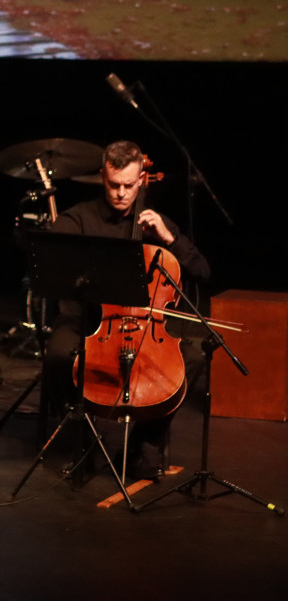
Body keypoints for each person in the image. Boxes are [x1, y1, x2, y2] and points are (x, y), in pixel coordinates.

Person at [42, 140, 211, 478]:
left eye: (129, 186)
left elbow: (202, 272)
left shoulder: (155, 223)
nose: (121, 193)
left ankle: (139, 449)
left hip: (145, 326)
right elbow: (53, 260)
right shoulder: (79, 220)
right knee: (59, 353)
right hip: (87, 320)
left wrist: (168, 239)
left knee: (189, 361)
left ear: (140, 181)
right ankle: (86, 443)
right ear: (103, 177)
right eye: (114, 185)